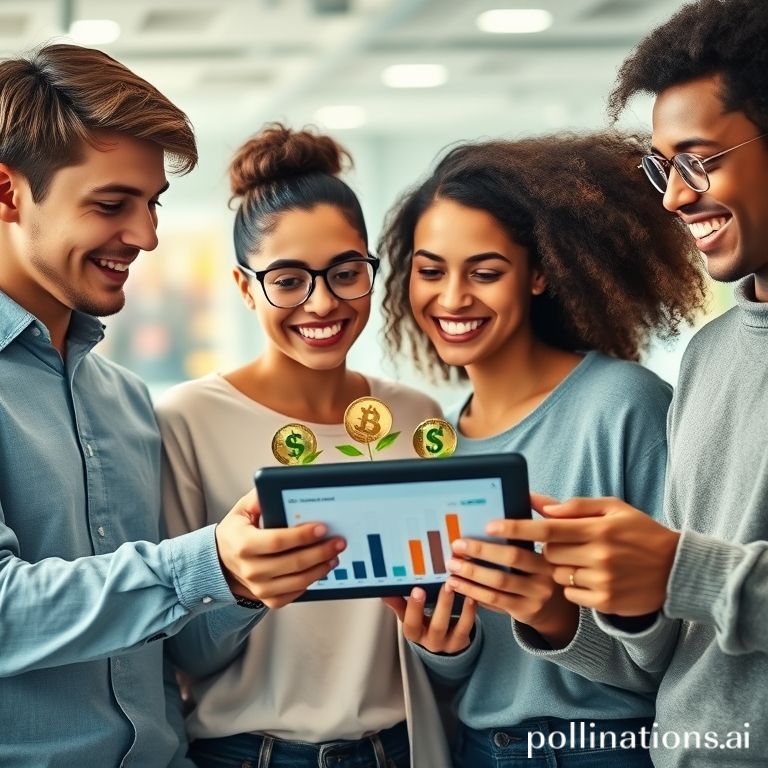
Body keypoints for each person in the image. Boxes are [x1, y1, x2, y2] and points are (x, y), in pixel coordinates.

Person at [0, 45, 344, 768]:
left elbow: (178, 645)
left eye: (152, 204)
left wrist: (247, 580)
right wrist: (204, 563)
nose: (147, 237)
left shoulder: (124, 401)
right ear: (8, 193)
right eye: (111, 204)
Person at [485, 2, 768, 765]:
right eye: (662, 167)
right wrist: (568, 602)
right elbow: (671, 659)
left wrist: (683, 569)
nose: (674, 196)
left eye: (699, 160)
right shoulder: (709, 357)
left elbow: (703, 582)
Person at [378, 132, 706, 767]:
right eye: (430, 270)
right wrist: (441, 648)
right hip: (479, 749)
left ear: (540, 274)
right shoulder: (434, 443)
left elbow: (681, 647)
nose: (451, 299)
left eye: (485, 271)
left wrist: (558, 618)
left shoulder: (623, 406)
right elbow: (466, 677)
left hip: (602, 749)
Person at [156, 123, 450, 768]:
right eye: (287, 280)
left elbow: (443, 614)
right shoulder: (185, 420)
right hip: (247, 753)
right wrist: (246, 585)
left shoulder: (416, 415)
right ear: (243, 286)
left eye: (347, 272)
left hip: (400, 748)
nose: (323, 302)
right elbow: (185, 648)